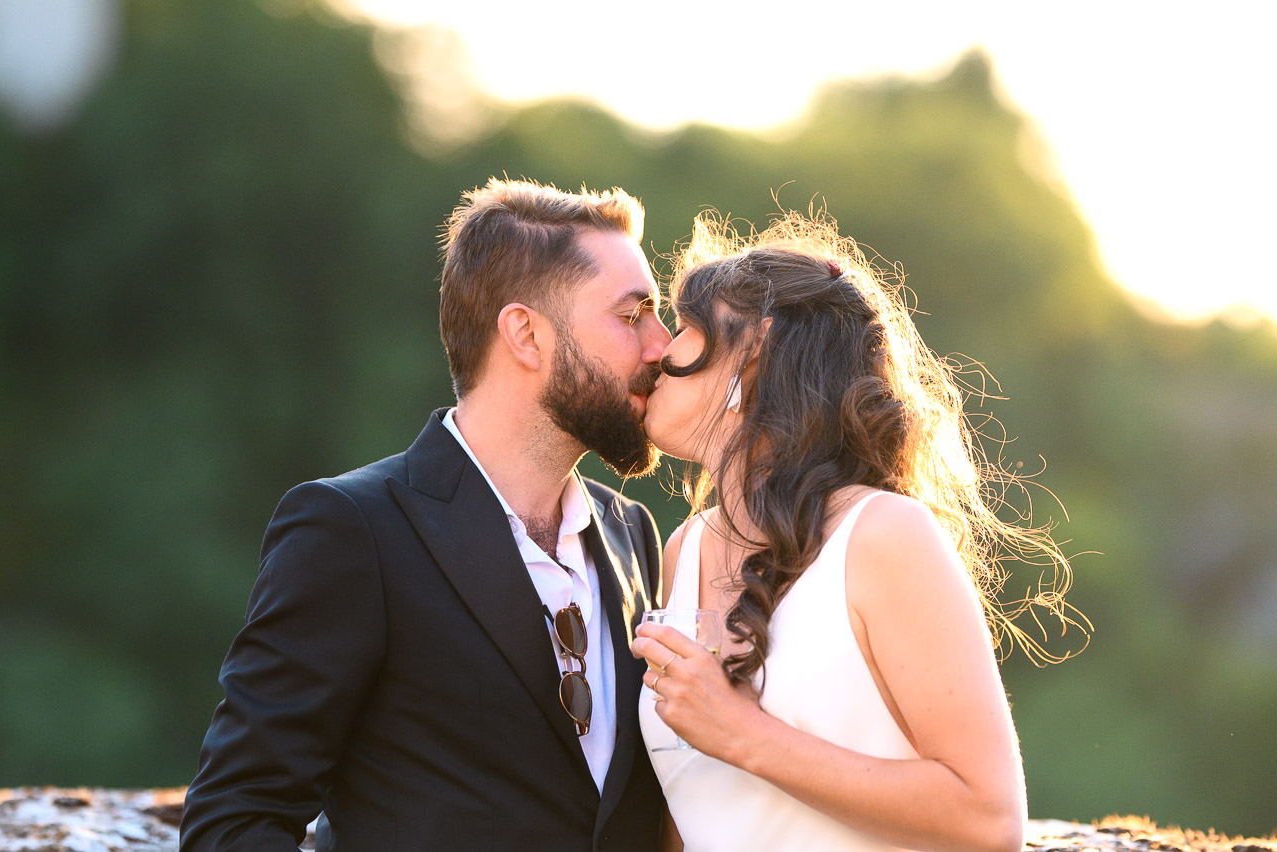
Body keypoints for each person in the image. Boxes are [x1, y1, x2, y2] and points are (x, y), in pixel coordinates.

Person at [181, 178, 674, 852]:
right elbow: (233, 823)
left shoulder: (633, 536)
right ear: (525, 334)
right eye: (634, 314)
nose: (663, 345)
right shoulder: (352, 530)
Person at [630, 211, 1078, 852]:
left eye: (684, 328)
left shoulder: (883, 537)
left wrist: (741, 734)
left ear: (751, 355)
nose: (658, 352)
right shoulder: (685, 550)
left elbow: (988, 819)